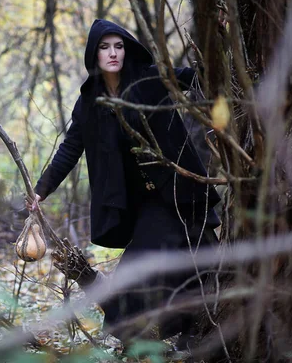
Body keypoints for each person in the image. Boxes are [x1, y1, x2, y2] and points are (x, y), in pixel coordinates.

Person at [25, 19, 221, 348]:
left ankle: (190, 335)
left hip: (181, 188)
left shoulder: (147, 79)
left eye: (118, 46)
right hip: (146, 202)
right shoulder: (90, 102)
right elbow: (70, 148)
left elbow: (193, 78)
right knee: (140, 262)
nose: (113, 53)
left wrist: (217, 59)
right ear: (94, 54)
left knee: (198, 263)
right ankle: (131, 334)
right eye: (104, 47)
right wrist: (41, 190)